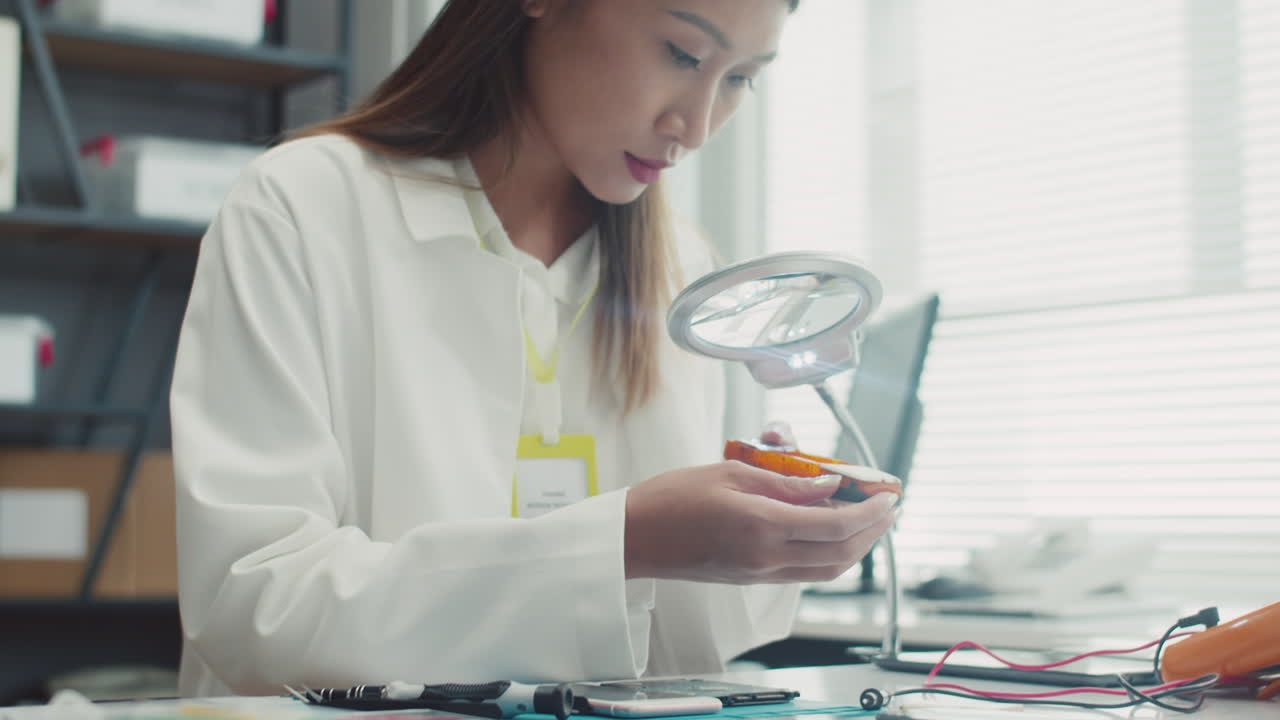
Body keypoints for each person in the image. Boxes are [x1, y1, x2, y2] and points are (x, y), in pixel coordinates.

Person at [169, 0, 898, 697]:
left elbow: (685, 651)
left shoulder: (681, 269)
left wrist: (763, 541)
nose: (697, 125)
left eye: (741, 78)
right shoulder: (303, 205)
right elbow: (255, 610)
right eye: (682, 53)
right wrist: (625, 541)